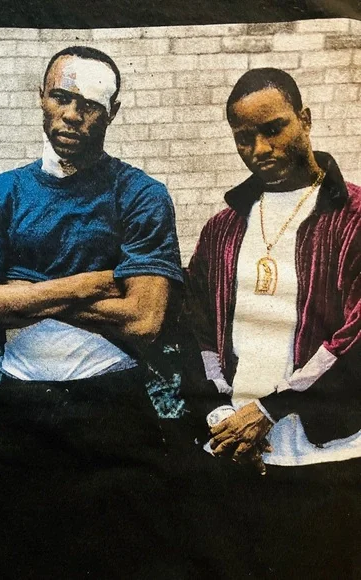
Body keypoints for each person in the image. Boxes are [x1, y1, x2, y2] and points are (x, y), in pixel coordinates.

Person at [0, 46, 185, 578]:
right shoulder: (1, 193)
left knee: (117, 559)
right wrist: (88, 283)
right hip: (19, 404)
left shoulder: (141, 195)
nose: (72, 115)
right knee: (21, 557)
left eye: (90, 105)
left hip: (109, 404)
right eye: (61, 97)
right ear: (41, 97)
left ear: (112, 113)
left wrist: (22, 293)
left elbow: (144, 318)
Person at [182, 68, 361, 578]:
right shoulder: (223, 227)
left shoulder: (353, 215)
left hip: (328, 459)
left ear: (305, 119)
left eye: (274, 129)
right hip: (234, 455)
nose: (259, 149)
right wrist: (220, 414)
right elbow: (194, 327)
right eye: (244, 138)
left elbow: (356, 337)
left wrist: (270, 409)